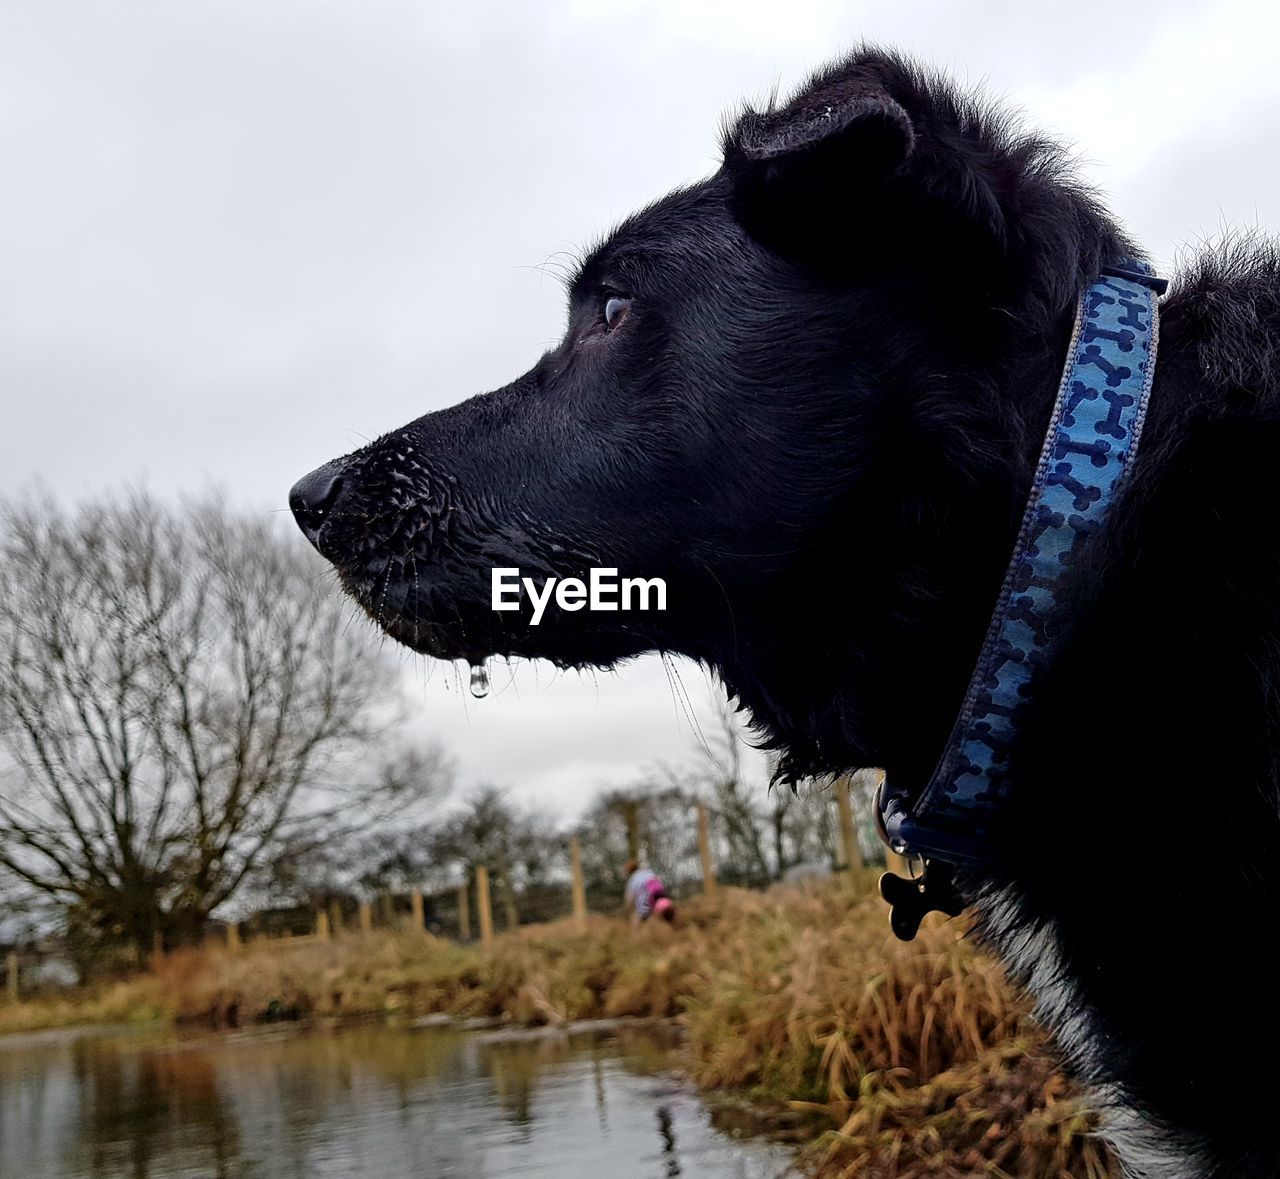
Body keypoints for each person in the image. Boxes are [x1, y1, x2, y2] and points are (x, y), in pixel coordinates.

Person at [622, 858, 676, 925]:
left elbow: (629, 898)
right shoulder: (649, 872)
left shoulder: (633, 879)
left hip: (647, 899)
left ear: (629, 871)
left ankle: (635, 934)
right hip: (660, 894)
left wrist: (626, 910)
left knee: (636, 916)